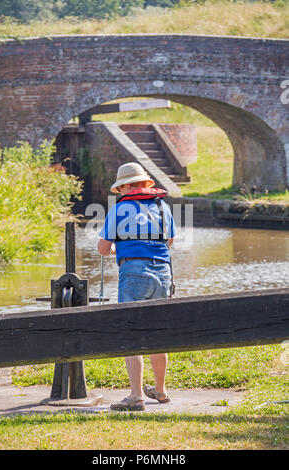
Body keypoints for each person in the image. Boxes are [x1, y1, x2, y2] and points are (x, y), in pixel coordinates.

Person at [97, 162, 175, 411]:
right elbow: (169, 240)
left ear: (128, 186)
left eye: (121, 188)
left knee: (132, 334)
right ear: (146, 184)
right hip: (163, 273)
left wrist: (114, 248)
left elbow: (102, 248)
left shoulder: (119, 209)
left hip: (133, 273)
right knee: (159, 333)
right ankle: (161, 391)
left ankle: (136, 396)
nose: (119, 192)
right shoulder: (163, 207)